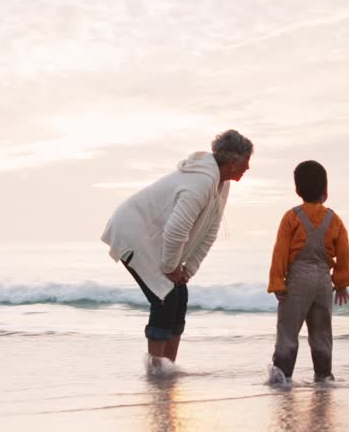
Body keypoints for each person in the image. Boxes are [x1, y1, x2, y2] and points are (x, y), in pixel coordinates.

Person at [102, 129, 253, 367]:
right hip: (132, 231)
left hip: (155, 239)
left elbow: (210, 231)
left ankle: (168, 368)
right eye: (246, 161)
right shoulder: (201, 181)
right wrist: (171, 267)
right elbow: (175, 231)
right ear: (234, 161)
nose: (248, 167)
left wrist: (187, 270)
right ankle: (156, 371)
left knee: (179, 294)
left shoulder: (221, 184)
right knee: (165, 297)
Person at [267, 160, 349, 383]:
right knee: (322, 332)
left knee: (287, 331)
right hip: (323, 282)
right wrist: (341, 282)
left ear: (297, 190)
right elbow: (344, 253)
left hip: (298, 279)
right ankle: (324, 376)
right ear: (326, 192)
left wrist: (278, 282)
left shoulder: (292, 217)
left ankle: (281, 377)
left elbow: (280, 253)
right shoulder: (334, 220)